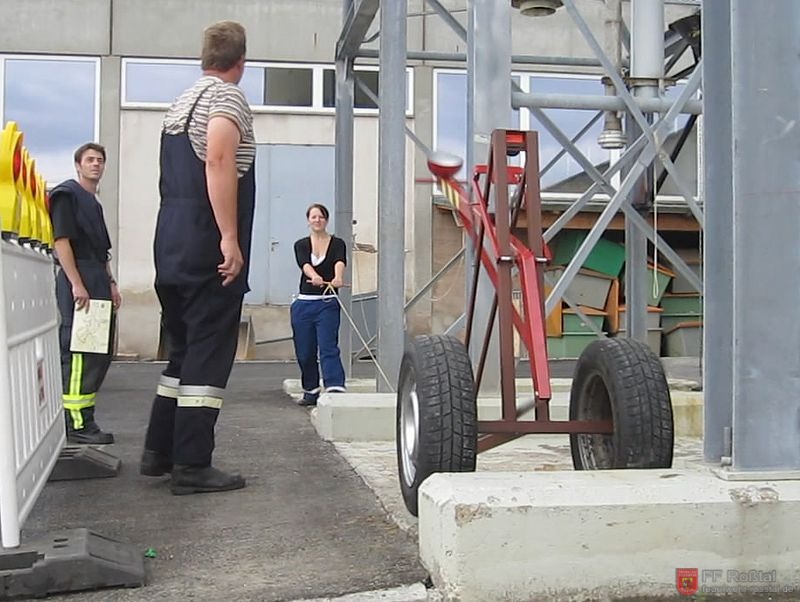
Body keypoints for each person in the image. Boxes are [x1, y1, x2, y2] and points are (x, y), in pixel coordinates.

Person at [139, 20, 256, 495]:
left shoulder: (180, 103)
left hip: (170, 243)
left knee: (183, 353)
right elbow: (219, 160)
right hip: (207, 246)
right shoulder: (227, 99)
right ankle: (192, 466)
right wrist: (229, 237)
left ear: (204, 58)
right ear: (241, 63)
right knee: (208, 356)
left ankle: (158, 452)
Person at [49, 143, 122, 445]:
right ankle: (76, 424)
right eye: (90, 160)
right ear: (78, 165)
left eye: (100, 160)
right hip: (79, 278)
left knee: (97, 354)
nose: (96, 164)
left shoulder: (93, 202)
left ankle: (86, 419)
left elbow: (101, 251)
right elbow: (61, 241)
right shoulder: (67, 195)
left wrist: (111, 283)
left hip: (96, 278)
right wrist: (77, 283)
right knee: (80, 353)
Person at [291, 203, 347, 406]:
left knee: (328, 347)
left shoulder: (338, 243)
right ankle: (311, 390)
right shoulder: (301, 244)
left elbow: (340, 261)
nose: (317, 220)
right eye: (313, 217)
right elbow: (304, 264)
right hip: (304, 304)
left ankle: (335, 387)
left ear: (326, 220)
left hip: (327, 303)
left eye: (321, 217)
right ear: (308, 220)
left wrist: (338, 277)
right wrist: (315, 276)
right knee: (305, 351)